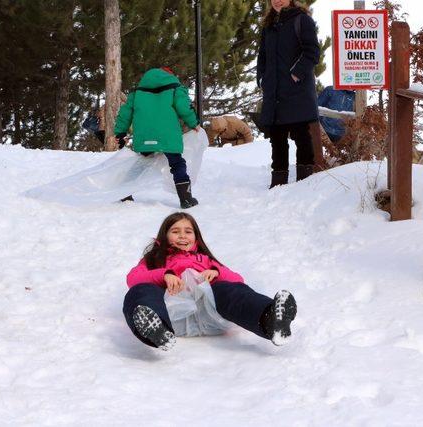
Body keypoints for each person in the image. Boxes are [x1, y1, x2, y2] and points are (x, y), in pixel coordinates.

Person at [122, 212, 298, 350]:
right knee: (140, 290)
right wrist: (164, 275)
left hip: (209, 312)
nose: (182, 236)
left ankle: (270, 319)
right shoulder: (155, 258)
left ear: (196, 238)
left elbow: (238, 280)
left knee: (229, 290)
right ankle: (155, 330)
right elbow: (133, 278)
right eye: (175, 231)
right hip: (171, 312)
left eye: (188, 232)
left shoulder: (205, 260)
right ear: (164, 236)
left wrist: (215, 272)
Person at [114, 67, 201, 209]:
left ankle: (125, 193)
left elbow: (125, 113)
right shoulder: (175, 87)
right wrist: (194, 123)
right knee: (177, 164)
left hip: (144, 135)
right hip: (167, 134)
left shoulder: (137, 92)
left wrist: (120, 132)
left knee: (141, 163)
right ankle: (186, 198)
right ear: (170, 75)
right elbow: (183, 107)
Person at [256, 0, 320, 188]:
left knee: (301, 135)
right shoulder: (269, 25)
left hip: (297, 90)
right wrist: (261, 79)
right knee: (277, 137)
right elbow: (263, 56)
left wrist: (295, 74)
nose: (277, 0)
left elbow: (313, 52)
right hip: (274, 91)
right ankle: (278, 184)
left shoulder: (302, 20)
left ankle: (305, 183)